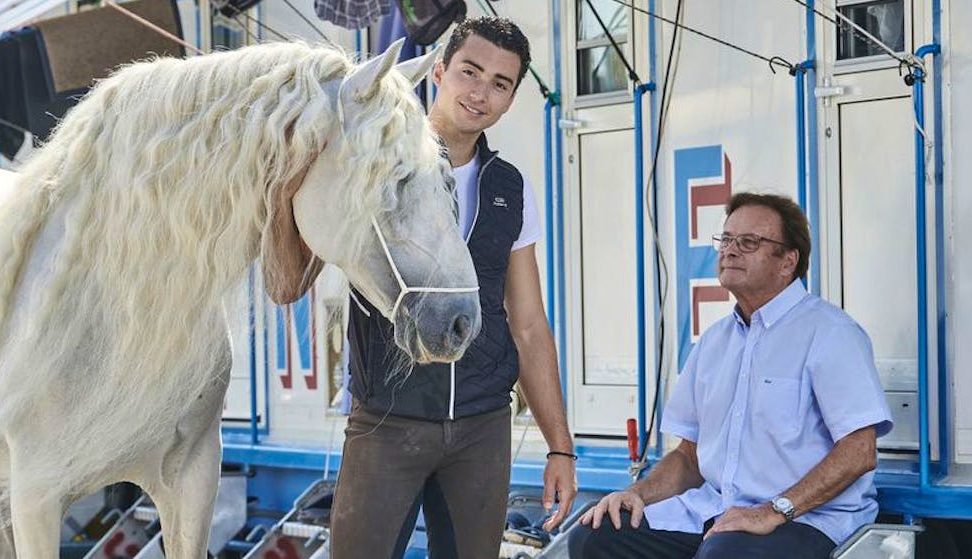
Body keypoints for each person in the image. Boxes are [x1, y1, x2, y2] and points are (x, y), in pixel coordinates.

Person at [267, 17, 576, 559]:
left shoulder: (509, 188)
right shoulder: (371, 163)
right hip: (387, 422)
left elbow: (527, 323)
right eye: (470, 72)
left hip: (482, 426)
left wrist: (561, 448)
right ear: (438, 72)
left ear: (510, 99)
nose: (480, 92)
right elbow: (288, 284)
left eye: (500, 84)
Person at [567, 192, 893, 559]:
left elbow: (859, 451)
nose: (730, 250)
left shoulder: (830, 333)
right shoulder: (714, 342)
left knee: (724, 554)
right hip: (715, 513)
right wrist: (636, 495)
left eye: (749, 242)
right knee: (593, 537)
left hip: (807, 519)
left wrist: (774, 510)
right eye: (726, 239)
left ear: (788, 261)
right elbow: (689, 457)